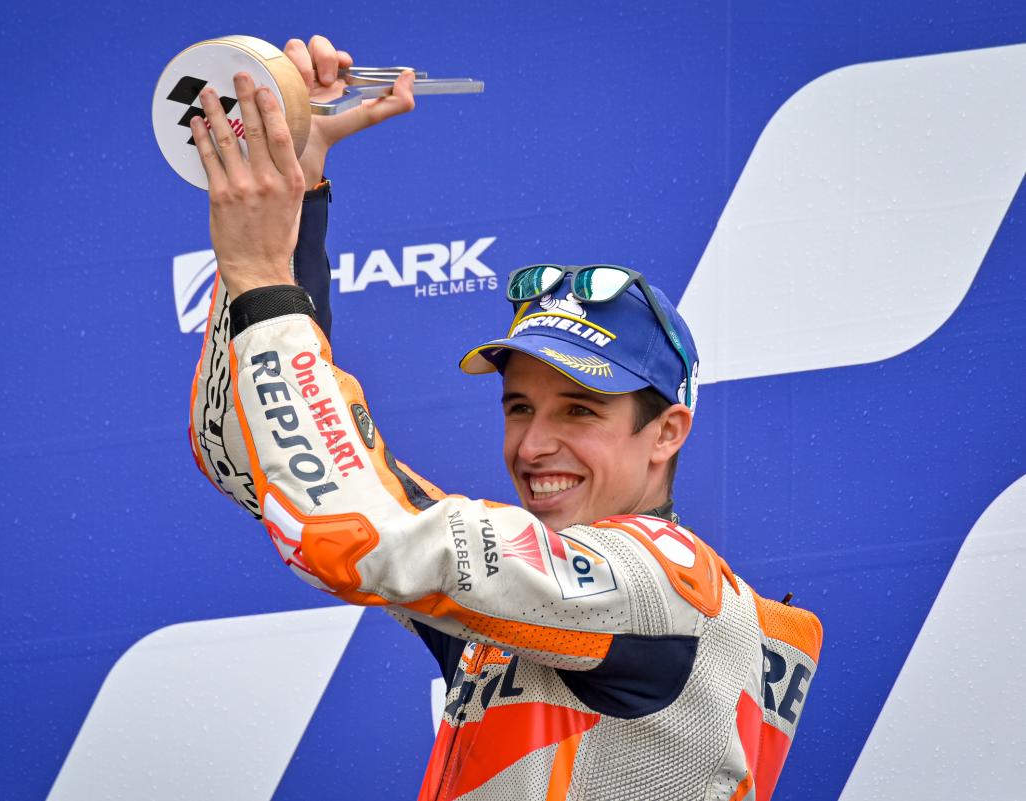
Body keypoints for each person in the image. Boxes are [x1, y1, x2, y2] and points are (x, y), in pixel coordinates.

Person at [186, 36, 822, 801]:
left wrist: (262, 277)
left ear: (667, 432)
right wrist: (295, 196)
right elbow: (250, 457)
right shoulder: (537, 592)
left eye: (580, 409)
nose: (534, 443)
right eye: (520, 406)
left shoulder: (662, 585)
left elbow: (349, 534)